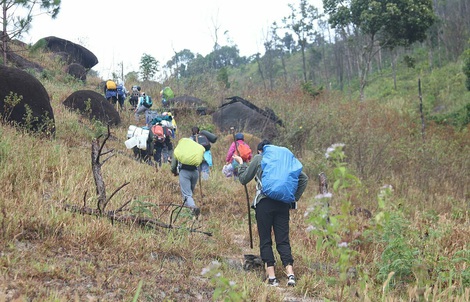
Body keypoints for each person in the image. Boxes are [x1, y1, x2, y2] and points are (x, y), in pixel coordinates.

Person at [233, 139, 308, 287]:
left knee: (266, 239)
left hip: (264, 203)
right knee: (283, 240)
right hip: (283, 204)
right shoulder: (284, 161)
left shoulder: (260, 158)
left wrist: (241, 164)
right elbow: (303, 179)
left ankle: (272, 277)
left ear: (260, 150)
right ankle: (290, 275)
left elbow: (243, 179)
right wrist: (292, 199)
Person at [170, 143, 201, 217]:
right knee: (190, 193)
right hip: (195, 172)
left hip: (184, 172)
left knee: (187, 194)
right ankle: (188, 213)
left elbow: (173, 165)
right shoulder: (194, 150)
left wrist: (174, 171)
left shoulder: (179, 150)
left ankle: (193, 208)